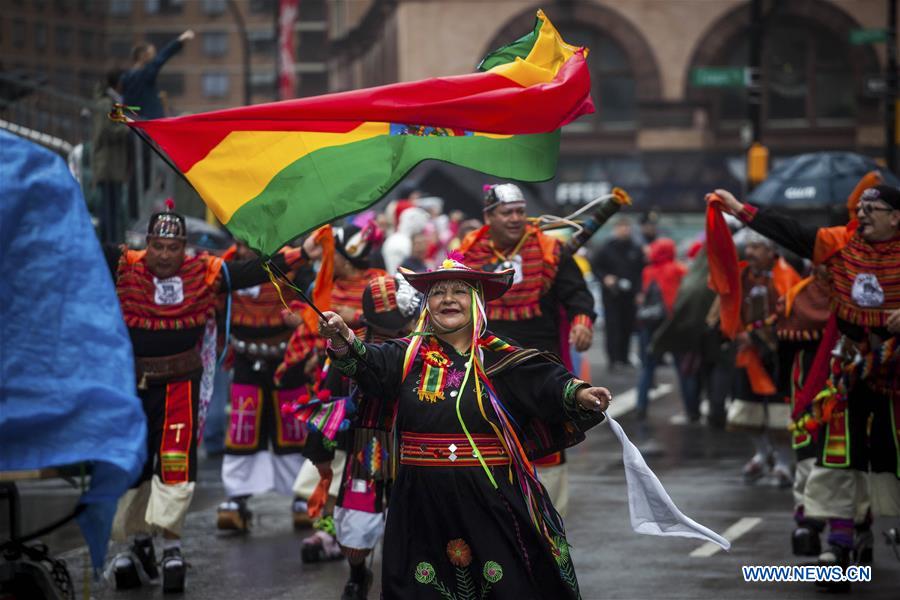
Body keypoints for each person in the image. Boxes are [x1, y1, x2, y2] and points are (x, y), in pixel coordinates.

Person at [317, 255, 612, 599]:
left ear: (477, 302)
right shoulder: (407, 355)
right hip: (420, 501)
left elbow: (545, 382)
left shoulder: (499, 357)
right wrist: (342, 338)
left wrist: (580, 392)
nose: (448, 299)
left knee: (507, 587)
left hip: (489, 497)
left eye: (460, 291)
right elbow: (366, 362)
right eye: (439, 293)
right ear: (427, 305)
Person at [106, 201, 305, 593]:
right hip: (131, 386)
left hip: (181, 384)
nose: (164, 255)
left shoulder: (204, 272)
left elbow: (252, 271)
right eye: (158, 246)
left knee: (176, 463)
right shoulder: (125, 266)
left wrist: (302, 252)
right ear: (148, 244)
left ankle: (172, 545)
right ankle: (136, 542)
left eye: (173, 247)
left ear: (184, 247)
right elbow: (84, 244)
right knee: (134, 462)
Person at [710, 185, 900, 582]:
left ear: (895, 217)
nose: (862, 214)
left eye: (872, 209)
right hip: (847, 372)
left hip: (895, 375)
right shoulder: (839, 243)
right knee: (837, 456)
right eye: (860, 207)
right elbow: (793, 232)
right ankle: (840, 546)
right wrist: (739, 210)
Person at [458, 183, 596, 516]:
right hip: (487, 364)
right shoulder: (468, 252)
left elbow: (577, 294)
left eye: (520, 211)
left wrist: (582, 322)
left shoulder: (551, 250)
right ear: (489, 216)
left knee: (547, 444)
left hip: (540, 364)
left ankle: (550, 527)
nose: (516, 218)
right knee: (488, 444)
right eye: (508, 212)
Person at [280, 224, 388, 562]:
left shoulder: (383, 283)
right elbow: (309, 325)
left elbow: (394, 324)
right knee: (329, 456)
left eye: (331, 253)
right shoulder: (323, 284)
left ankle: (381, 539)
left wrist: (349, 318)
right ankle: (327, 531)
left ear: (348, 253)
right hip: (333, 382)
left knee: (374, 468)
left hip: (377, 387)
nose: (326, 260)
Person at [215, 240, 316, 532]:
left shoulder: (297, 269)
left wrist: (304, 323)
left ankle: (301, 495)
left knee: (295, 428)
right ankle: (237, 497)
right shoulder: (227, 269)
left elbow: (315, 304)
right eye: (242, 243)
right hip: (246, 361)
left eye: (253, 244)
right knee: (242, 429)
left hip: (290, 360)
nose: (247, 250)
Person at [720, 229, 800, 486]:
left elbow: (793, 313)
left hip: (779, 353)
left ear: (772, 251)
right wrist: (735, 331)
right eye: (749, 247)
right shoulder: (743, 275)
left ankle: (785, 463)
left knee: (780, 412)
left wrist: (759, 336)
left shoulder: (787, 276)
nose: (750, 252)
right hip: (747, 352)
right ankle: (762, 454)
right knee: (746, 408)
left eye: (756, 247)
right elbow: (727, 306)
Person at [635, 238, 688, 422]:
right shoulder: (679, 269)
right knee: (682, 368)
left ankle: (641, 407)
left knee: (648, 367)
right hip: (672, 323)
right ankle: (690, 409)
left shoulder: (647, 271)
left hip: (650, 324)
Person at [592, 216, 644, 370]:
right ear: (615, 230)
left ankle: (624, 356)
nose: (625, 230)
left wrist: (640, 292)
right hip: (612, 294)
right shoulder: (606, 248)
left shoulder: (635, 248)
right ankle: (613, 359)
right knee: (613, 327)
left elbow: (640, 272)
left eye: (627, 227)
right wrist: (605, 278)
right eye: (622, 227)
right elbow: (596, 267)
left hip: (630, 294)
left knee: (627, 326)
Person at [90, 69, 131, 245]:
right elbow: (105, 131)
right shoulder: (106, 104)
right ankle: (107, 247)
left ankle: (112, 244)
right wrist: (126, 127)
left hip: (114, 166)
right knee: (107, 211)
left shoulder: (114, 102)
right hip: (107, 166)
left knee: (114, 210)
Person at [121, 30, 194, 121]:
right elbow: (162, 57)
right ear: (143, 55)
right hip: (149, 122)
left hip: (135, 122)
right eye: (151, 54)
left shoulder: (126, 77)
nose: (154, 57)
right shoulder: (145, 74)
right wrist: (180, 40)